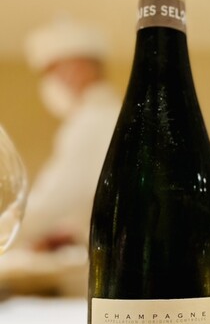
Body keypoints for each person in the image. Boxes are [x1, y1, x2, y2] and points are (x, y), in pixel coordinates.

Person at [0, 17, 121, 295]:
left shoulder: (93, 121)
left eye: (51, 72)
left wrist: (7, 226)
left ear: (77, 68)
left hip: (98, 274)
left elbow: (52, 201)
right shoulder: (111, 114)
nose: (48, 84)